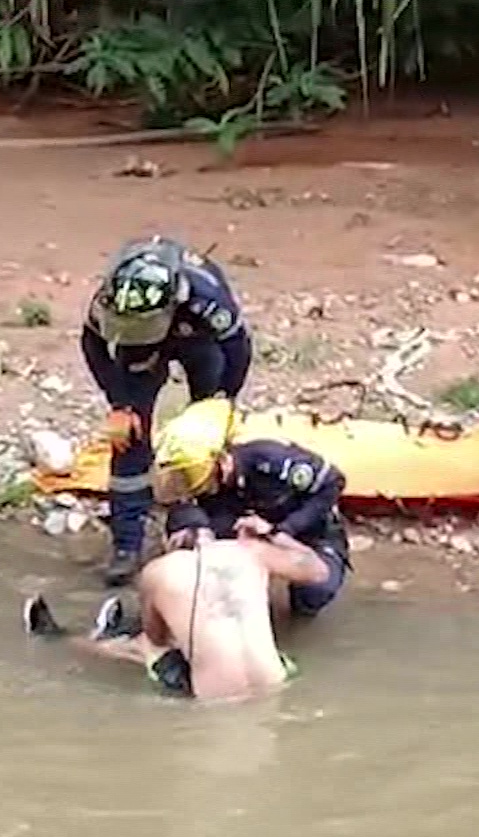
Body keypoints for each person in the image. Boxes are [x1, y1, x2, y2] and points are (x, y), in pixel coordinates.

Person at [82, 235, 254, 587]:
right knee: (130, 439)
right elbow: (93, 343)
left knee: (204, 441)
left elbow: (237, 347)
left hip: (199, 341)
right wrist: (118, 402)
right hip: (139, 349)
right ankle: (127, 545)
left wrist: (222, 403)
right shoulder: (110, 300)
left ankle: (208, 524)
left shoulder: (207, 299)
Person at [22, 528, 302, 703]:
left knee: (147, 646)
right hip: (277, 682)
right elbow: (317, 571)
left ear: (170, 543)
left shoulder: (160, 571)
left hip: (214, 697)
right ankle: (110, 630)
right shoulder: (250, 554)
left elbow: (156, 635)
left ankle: (60, 638)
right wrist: (279, 534)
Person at [150, 398, 351, 622]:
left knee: (316, 590)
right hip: (244, 526)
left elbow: (333, 482)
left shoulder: (269, 460)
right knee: (192, 540)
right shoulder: (204, 488)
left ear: (222, 460)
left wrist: (284, 529)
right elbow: (186, 513)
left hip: (304, 529)